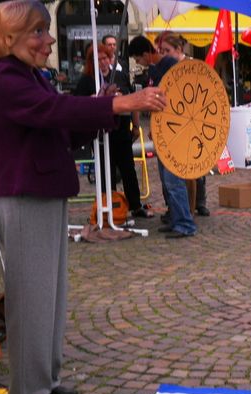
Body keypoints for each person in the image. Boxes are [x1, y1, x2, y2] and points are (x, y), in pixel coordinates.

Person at [0, 0, 165, 394]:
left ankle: (44, 380)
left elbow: (61, 126)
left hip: (41, 193)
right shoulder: (5, 80)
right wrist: (116, 105)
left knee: (50, 297)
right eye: (38, 33)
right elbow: (55, 111)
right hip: (25, 197)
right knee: (31, 299)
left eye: (47, 31)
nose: (47, 42)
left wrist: (103, 106)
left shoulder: (27, 76)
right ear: (10, 38)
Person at [127, 35, 197, 238]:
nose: (139, 64)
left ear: (146, 54)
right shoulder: (155, 68)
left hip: (174, 132)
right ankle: (176, 219)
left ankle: (185, 224)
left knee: (174, 181)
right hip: (162, 132)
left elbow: (177, 94)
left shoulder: (168, 64)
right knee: (167, 181)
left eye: (139, 59)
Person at [73, 44, 152, 218]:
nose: (102, 62)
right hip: (100, 133)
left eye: (105, 58)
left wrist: (136, 125)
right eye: (98, 59)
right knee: (104, 171)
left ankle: (135, 205)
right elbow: (78, 104)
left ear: (110, 59)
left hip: (121, 129)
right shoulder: (87, 79)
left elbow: (133, 101)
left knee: (127, 169)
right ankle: (108, 205)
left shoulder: (120, 76)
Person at [155, 31, 210, 217]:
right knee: (173, 173)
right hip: (172, 126)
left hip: (192, 124)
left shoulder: (192, 65)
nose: (163, 54)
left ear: (178, 49)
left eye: (167, 50)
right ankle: (176, 208)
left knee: (193, 171)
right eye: (161, 50)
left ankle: (195, 206)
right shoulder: (165, 68)